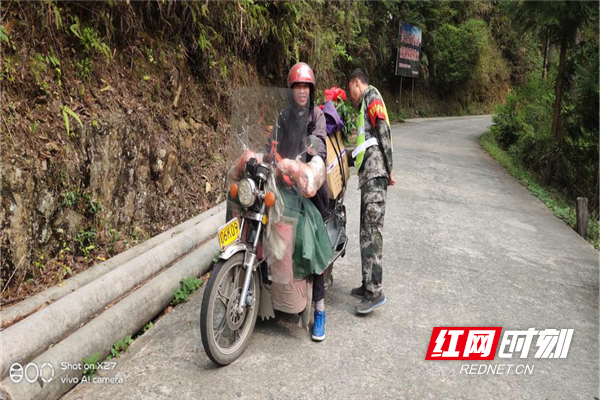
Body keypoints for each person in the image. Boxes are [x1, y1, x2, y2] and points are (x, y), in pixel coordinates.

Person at [270, 62, 330, 340]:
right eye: (298, 86)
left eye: (306, 86)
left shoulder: (315, 116)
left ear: (312, 90)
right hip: (284, 185)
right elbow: (272, 144)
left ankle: (319, 309)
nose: (302, 91)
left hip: (309, 188)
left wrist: (308, 161)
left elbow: (319, 143)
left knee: (312, 237)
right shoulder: (282, 117)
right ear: (291, 89)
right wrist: (265, 156)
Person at [347, 68, 395, 314]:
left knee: (373, 234)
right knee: (365, 231)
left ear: (357, 82)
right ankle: (368, 284)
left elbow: (383, 131)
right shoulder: (363, 105)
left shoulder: (371, 95)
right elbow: (363, 143)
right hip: (369, 177)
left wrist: (389, 167)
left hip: (376, 174)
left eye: (350, 89)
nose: (350, 95)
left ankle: (375, 293)